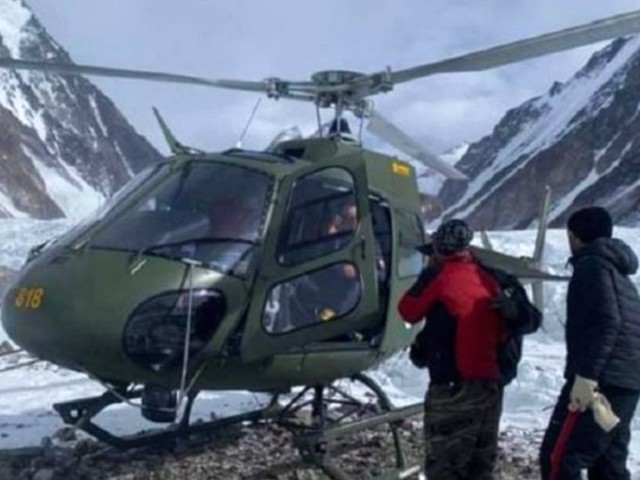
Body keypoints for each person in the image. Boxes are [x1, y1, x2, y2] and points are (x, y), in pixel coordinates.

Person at [398, 219, 510, 480]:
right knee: (480, 468)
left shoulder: (439, 276)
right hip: (490, 386)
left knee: (446, 467)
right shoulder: (488, 277)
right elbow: (502, 330)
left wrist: (426, 276)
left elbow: (408, 311)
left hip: (453, 387)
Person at [539, 206, 640, 480]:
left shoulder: (592, 267)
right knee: (608, 463)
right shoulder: (618, 271)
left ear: (574, 236)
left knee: (560, 456)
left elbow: (608, 321)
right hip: (626, 382)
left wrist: (587, 376)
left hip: (601, 382)